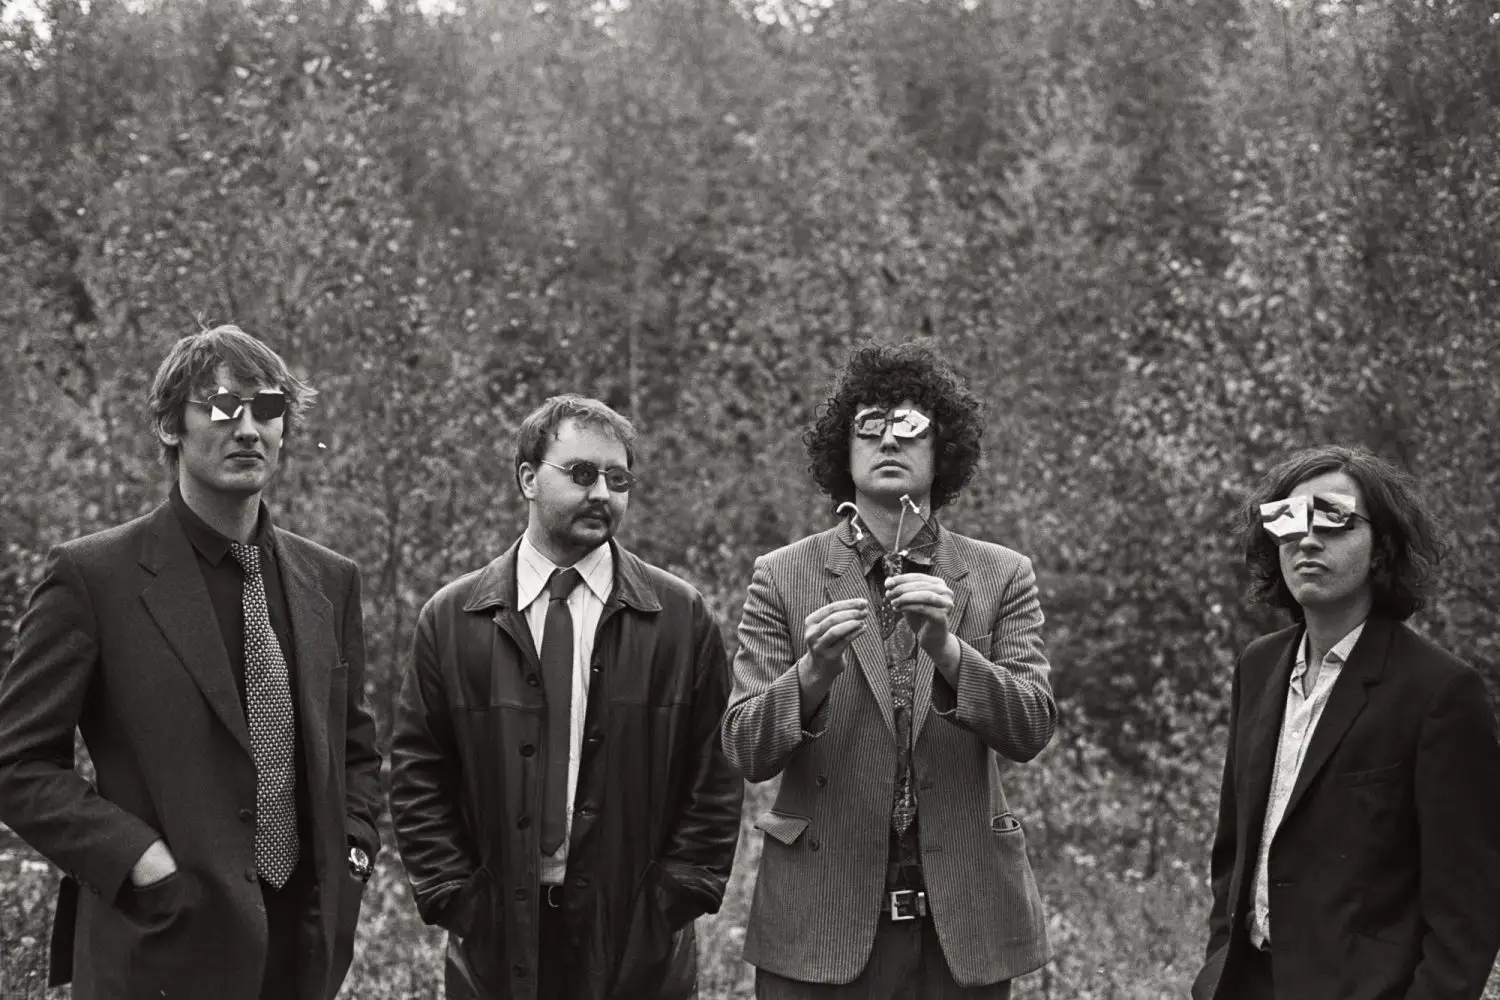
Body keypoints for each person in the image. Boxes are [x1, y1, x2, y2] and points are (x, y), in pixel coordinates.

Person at [0, 325, 383, 1000]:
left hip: (303, 953)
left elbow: (354, 747)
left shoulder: (330, 579)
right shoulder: (93, 578)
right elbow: (18, 764)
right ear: (169, 425)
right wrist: (140, 861)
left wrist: (354, 849)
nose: (248, 429)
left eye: (267, 409)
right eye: (223, 407)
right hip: (160, 950)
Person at [721, 341, 1057, 999]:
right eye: (868, 425)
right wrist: (812, 674)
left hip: (964, 930)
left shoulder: (1001, 574)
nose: (889, 440)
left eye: (911, 426)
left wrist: (950, 652)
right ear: (842, 450)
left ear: (942, 448)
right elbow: (745, 749)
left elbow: (1031, 730)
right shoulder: (782, 575)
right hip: (817, 927)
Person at [389, 394, 743, 1000]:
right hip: (496, 942)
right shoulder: (452, 619)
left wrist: (675, 896)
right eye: (581, 473)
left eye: (617, 478)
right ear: (528, 478)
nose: (602, 492)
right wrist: (457, 898)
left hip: (635, 942)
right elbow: (419, 773)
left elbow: (716, 771)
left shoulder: (679, 617)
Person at [1192, 445, 1500, 1000]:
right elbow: (1234, 850)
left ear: (1382, 547)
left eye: (1334, 518)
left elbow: (1467, 909)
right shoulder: (1257, 666)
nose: (1308, 539)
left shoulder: (1440, 692)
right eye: (1287, 519)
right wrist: (1221, 960)